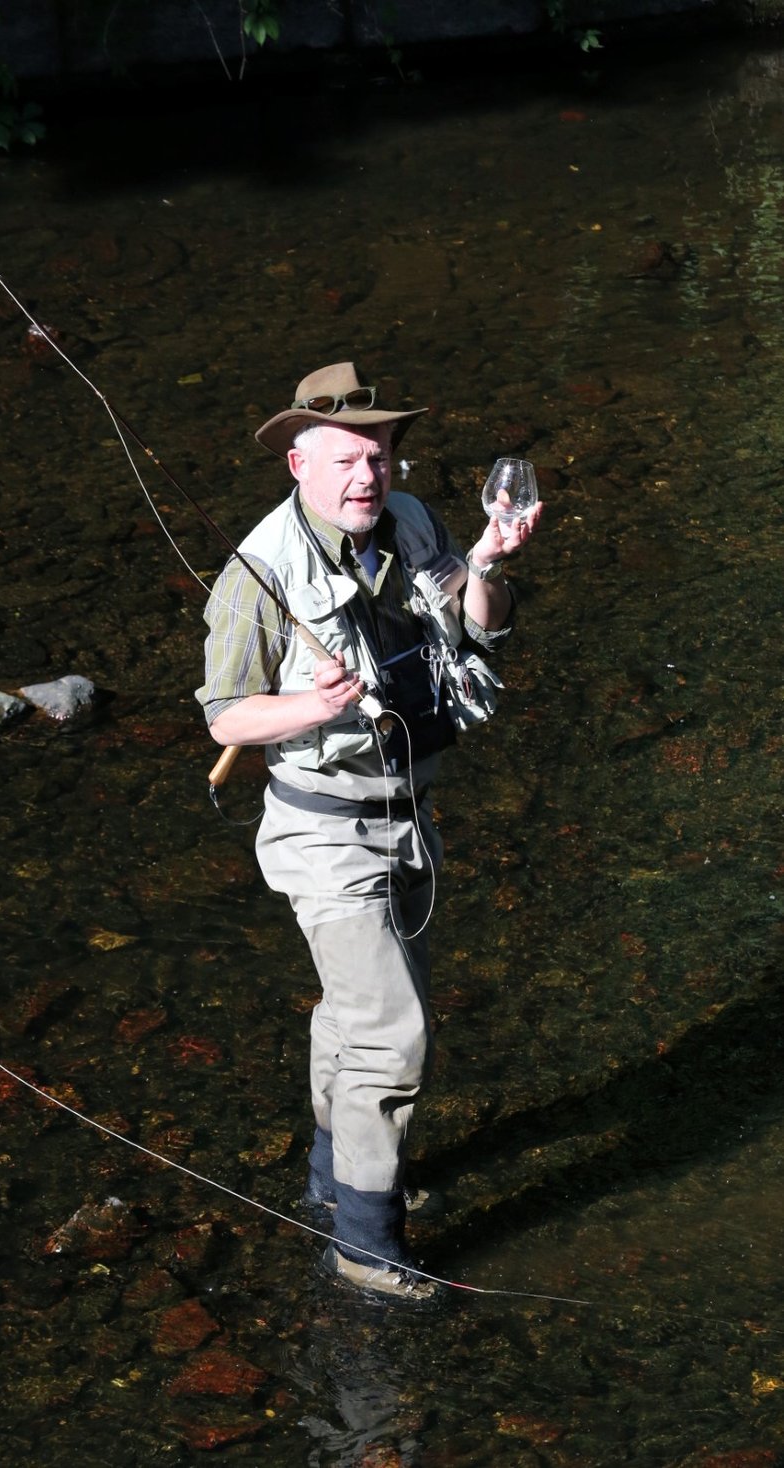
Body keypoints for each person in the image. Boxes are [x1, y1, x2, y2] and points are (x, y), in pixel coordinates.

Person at [196, 362, 542, 1303]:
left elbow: (484, 630)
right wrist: (305, 705)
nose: (367, 474)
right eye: (348, 458)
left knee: (359, 1016)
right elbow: (225, 718)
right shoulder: (254, 578)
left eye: (380, 455)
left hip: (409, 816)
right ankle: (365, 1243)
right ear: (297, 463)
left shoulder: (416, 521)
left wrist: (491, 562)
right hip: (321, 832)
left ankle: (329, 1177)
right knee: (394, 1037)